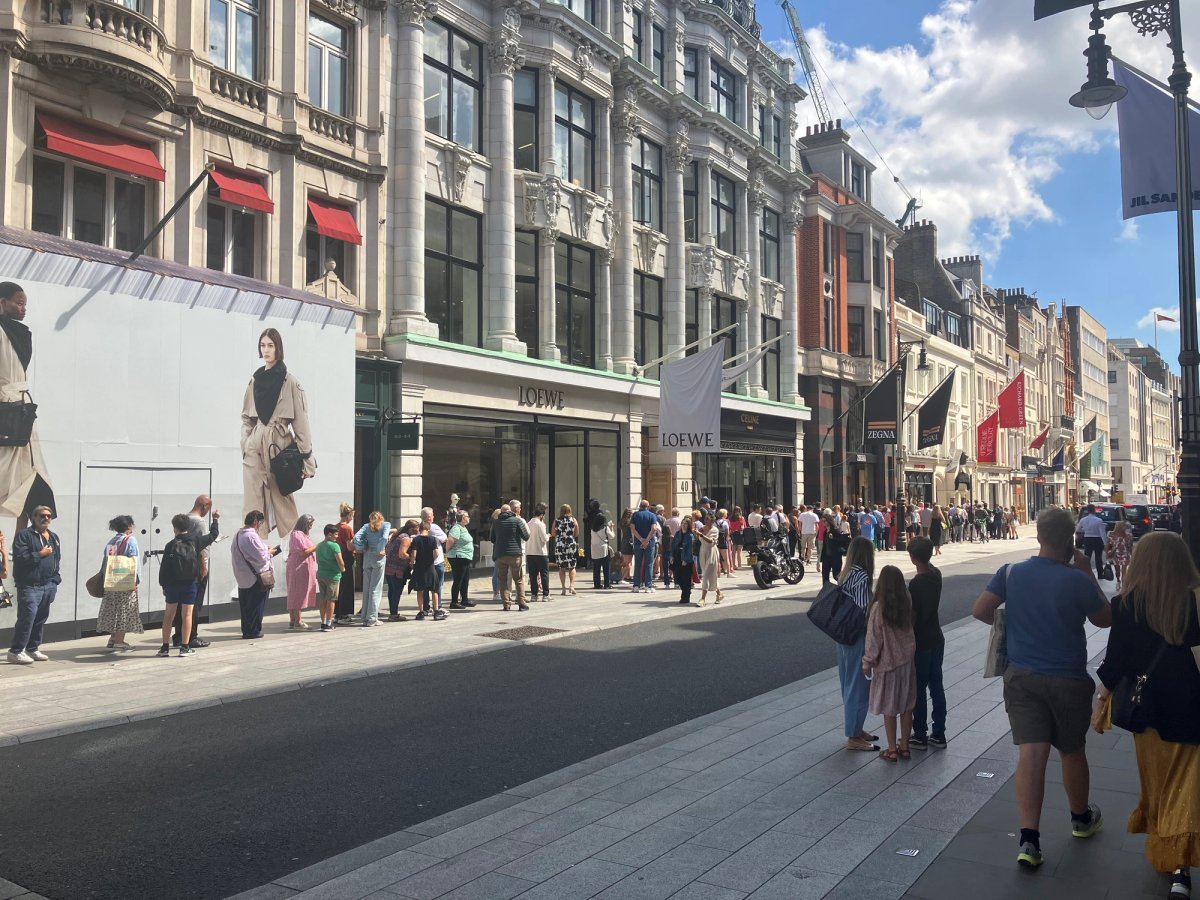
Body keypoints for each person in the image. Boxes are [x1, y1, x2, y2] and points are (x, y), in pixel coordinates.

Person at [972, 507, 1112, 870]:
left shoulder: (1011, 572)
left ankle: (1029, 840)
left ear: (1038, 536)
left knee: (1031, 754)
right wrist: (1087, 572)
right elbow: (1105, 618)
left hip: (1022, 677)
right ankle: (1080, 818)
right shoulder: (1076, 579)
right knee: (1071, 750)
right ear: (1070, 541)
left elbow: (981, 610)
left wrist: (1013, 624)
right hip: (1067, 677)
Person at [1094, 532, 1200, 900]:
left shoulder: (1126, 605)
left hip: (1148, 711)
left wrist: (1100, 699)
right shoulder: (1192, 602)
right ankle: (1180, 868)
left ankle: (1168, 852)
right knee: (1184, 788)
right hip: (1190, 708)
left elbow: (1116, 662)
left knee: (1156, 784)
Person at [240, 328, 315, 538]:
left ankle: (295, 542)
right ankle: (253, 541)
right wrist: (245, 444)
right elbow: (246, 417)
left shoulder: (290, 382)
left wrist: (307, 458)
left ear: (278, 348)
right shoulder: (254, 381)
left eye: (270, 345)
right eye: (262, 345)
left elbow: (301, 423)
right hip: (255, 444)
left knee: (283, 496)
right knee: (253, 497)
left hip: (279, 444)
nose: (266, 350)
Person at [0, 283, 55, 529]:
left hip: (20, 411)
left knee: (28, 480)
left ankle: (22, 539)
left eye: (25, 305)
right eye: (19, 303)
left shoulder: (20, 333)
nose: (23, 309)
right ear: (2, 302)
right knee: (14, 476)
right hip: (9, 410)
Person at [863, 565, 916, 762]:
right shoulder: (906, 602)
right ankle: (905, 747)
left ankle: (892, 749)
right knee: (907, 706)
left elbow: (874, 638)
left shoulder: (879, 608)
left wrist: (868, 662)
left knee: (889, 707)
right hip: (907, 662)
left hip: (887, 663)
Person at [838, 537, 878, 752]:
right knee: (858, 684)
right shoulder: (862, 576)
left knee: (847, 682)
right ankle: (853, 735)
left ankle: (856, 727)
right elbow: (863, 609)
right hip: (857, 635)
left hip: (843, 634)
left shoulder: (846, 573)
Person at [907, 537, 946, 751]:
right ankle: (939, 732)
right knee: (936, 685)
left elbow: (912, 616)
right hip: (936, 636)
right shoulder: (936, 575)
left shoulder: (916, 584)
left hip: (920, 640)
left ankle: (920, 733)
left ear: (913, 558)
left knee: (919, 688)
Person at [8, 505, 60, 664]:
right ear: (34, 518)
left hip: (48, 585)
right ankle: (16, 651)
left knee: (40, 618)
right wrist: (40, 554)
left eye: (49, 516)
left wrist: (55, 579)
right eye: (42, 516)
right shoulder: (24, 535)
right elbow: (20, 558)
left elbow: (57, 559)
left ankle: (32, 648)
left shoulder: (53, 536)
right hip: (30, 585)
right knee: (27, 617)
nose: (46, 519)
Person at [171, 496, 220, 649]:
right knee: (194, 604)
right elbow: (201, 547)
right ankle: (192, 637)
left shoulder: (185, 518)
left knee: (181, 605)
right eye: (208, 509)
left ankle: (178, 636)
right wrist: (203, 566)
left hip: (182, 568)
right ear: (204, 506)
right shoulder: (199, 522)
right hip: (196, 568)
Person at [155, 515, 204, 657]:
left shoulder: (170, 545)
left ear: (174, 528)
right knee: (187, 615)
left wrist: (164, 585)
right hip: (190, 584)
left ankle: (165, 647)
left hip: (172, 585)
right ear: (188, 526)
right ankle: (184, 647)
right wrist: (215, 521)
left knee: (168, 615)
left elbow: (164, 568)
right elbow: (213, 535)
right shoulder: (195, 540)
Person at [95, 515, 143, 652]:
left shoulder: (112, 541)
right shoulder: (130, 540)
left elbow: (107, 562)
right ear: (129, 526)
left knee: (114, 609)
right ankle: (120, 641)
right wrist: (136, 580)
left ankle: (113, 638)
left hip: (112, 581)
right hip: (125, 581)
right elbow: (134, 562)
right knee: (124, 610)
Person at [232, 510, 278, 640]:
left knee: (246, 606)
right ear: (256, 522)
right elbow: (261, 557)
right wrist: (269, 552)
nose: (260, 526)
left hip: (242, 576)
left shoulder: (238, 535)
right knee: (256, 605)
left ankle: (246, 630)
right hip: (256, 577)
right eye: (261, 523)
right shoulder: (251, 536)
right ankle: (253, 631)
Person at [353, 511, 391, 627]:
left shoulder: (366, 526)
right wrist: (381, 549)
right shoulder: (386, 525)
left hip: (367, 556)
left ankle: (365, 616)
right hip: (378, 558)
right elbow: (384, 537)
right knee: (376, 589)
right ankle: (372, 618)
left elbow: (356, 537)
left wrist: (361, 547)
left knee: (367, 588)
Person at [491, 503, 530, 611]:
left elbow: (492, 539)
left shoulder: (496, 523)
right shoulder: (517, 521)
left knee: (503, 580)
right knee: (518, 579)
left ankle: (506, 604)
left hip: (501, 555)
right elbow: (526, 536)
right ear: (510, 510)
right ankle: (521, 603)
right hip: (515, 554)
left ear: (501, 511)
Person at [408, 521, 446, 620]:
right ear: (428, 529)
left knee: (420, 590)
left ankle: (421, 612)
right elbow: (436, 553)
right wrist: (432, 560)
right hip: (430, 567)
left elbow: (414, 554)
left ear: (420, 529)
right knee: (434, 590)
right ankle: (436, 611)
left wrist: (412, 564)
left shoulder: (416, 540)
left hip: (419, 567)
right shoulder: (433, 539)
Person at [285, 515, 318, 629]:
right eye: (310, 524)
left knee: (295, 592)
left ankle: (293, 620)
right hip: (298, 568)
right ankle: (297, 621)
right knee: (297, 593)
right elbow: (303, 552)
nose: (311, 526)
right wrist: (317, 547)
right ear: (304, 523)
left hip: (300, 567)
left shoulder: (301, 534)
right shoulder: (297, 534)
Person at [315, 524, 345, 632]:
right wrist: (342, 568)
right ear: (329, 534)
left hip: (321, 574)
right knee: (331, 599)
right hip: (333, 576)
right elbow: (340, 560)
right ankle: (328, 623)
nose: (337, 536)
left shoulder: (319, 546)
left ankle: (323, 622)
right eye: (336, 534)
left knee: (323, 599)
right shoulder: (335, 546)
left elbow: (317, 560)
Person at [384, 521, 414, 621]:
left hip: (389, 567)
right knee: (396, 591)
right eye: (417, 528)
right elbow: (402, 554)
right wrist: (412, 558)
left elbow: (388, 549)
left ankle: (393, 612)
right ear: (411, 529)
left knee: (392, 590)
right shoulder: (406, 538)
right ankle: (393, 614)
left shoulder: (397, 535)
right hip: (398, 569)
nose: (418, 530)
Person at [446, 510, 475, 609]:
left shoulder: (463, 527)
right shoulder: (456, 528)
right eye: (467, 516)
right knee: (458, 580)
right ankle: (454, 602)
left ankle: (464, 599)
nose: (469, 518)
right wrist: (447, 550)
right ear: (462, 518)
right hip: (458, 557)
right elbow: (450, 540)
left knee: (465, 579)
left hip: (465, 557)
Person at [334, 503, 357, 625]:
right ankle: (344, 614)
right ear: (348, 515)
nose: (352, 518)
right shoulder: (347, 528)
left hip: (338, 556)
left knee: (340, 585)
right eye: (352, 516)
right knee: (347, 585)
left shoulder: (336, 527)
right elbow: (349, 546)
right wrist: (358, 545)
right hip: (347, 557)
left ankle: (337, 613)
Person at [630, 500, 659, 593]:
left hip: (638, 542)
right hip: (649, 542)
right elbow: (654, 528)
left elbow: (632, 528)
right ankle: (648, 586)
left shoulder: (635, 515)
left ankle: (636, 586)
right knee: (649, 564)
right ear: (648, 506)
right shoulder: (652, 515)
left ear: (640, 506)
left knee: (637, 564)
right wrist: (647, 540)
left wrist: (641, 539)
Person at [696, 511, 724, 606]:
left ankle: (702, 599)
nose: (706, 520)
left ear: (712, 521)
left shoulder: (715, 530)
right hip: (703, 552)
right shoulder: (702, 528)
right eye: (705, 518)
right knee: (711, 575)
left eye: (707, 519)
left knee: (705, 576)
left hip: (712, 553)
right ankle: (719, 594)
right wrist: (697, 533)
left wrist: (701, 534)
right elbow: (699, 539)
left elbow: (710, 541)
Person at [524, 503, 550, 600]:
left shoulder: (528, 524)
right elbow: (544, 538)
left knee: (533, 575)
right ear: (541, 515)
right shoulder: (540, 524)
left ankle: (534, 594)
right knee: (544, 574)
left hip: (530, 552)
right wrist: (548, 535)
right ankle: (545, 594)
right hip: (541, 552)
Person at [670, 516, 698, 605]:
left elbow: (690, 549)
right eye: (682, 523)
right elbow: (673, 545)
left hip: (686, 559)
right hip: (677, 557)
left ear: (689, 525)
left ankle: (685, 597)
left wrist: (685, 559)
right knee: (678, 577)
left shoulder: (690, 535)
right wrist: (671, 556)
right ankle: (686, 591)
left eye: (686, 524)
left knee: (686, 578)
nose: (683, 525)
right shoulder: (678, 534)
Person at [552, 504, 579, 596]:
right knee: (572, 566)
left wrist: (560, 535)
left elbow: (553, 533)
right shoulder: (573, 520)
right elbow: (577, 533)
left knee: (562, 567)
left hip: (560, 545)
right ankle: (572, 586)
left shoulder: (556, 520)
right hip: (570, 544)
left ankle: (563, 588)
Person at [586, 500, 613, 591]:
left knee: (596, 567)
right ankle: (606, 584)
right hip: (603, 548)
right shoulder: (605, 528)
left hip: (594, 548)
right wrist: (611, 528)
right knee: (606, 567)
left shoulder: (592, 529)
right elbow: (612, 536)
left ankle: (597, 584)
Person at [1075, 504, 1107, 579]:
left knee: (1087, 556)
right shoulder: (1099, 520)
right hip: (1097, 539)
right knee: (1098, 557)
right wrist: (1105, 543)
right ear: (1094, 510)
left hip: (1087, 538)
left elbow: (1078, 529)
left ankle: (1086, 572)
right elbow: (1102, 533)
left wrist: (1085, 530)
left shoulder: (1083, 520)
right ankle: (1100, 574)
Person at [1105, 519, 1132, 589]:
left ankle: (1124, 585)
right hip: (1115, 554)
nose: (1125, 527)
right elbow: (1109, 545)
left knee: (1124, 571)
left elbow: (1129, 546)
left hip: (1125, 554)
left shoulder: (1128, 535)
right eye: (1124, 526)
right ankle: (1118, 580)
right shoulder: (1111, 534)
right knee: (1117, 570)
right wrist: (1108, 553)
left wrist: (1132, 554)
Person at [617, 508, 634, 585]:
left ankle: (627, 576)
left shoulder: (622, 521)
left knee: (625, 561)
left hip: (624, 541)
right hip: (629, 542)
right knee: (628, 562)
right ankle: (621, 578)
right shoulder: (629, 522)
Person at [728, 506, 746, 571]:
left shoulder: (730, 518)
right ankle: (739, 565)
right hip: (739, 534)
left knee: (733, 551)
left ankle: (733, 565)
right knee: (739, 550)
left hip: (732, 534)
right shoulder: (741, 518)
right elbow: (743, 527)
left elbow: (729, 527)